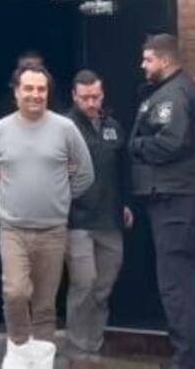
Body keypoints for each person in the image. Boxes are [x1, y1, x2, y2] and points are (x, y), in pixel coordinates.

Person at [0, 63, 94, 369]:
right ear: (16, 92)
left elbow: (85, 174)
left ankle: (41, 363)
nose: (35, 94)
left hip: (53, 230)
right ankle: (18, 354)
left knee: (44, 305)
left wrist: (61, 196)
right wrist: (9, 193)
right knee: (15, 292)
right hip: (13, 229)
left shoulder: (65, 129)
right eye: (28, 88)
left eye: (41, 89)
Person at [129, 33, 195, 369]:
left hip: (174, 198)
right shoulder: (168, 91)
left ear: (165, 60)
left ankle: (187, 361)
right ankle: (194, 358)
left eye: (148, 59)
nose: (143, 65)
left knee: (177, 285)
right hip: (173, 196)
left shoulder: (174, 95)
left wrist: (136, 146)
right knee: (184, 281)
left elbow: (170, 143)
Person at [64, 69, 133, 361]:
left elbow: (124, 168)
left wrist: (126, 203)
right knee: (84, 284)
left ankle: (94, 347)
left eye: (96, 96)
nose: (91, 103)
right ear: (74, 96)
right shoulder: (64, 127)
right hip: (77, 220)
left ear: (103, 94)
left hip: (110, 218)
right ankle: (78, 353)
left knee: (104, 287)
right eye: (85, 97)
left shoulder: (113, 126)